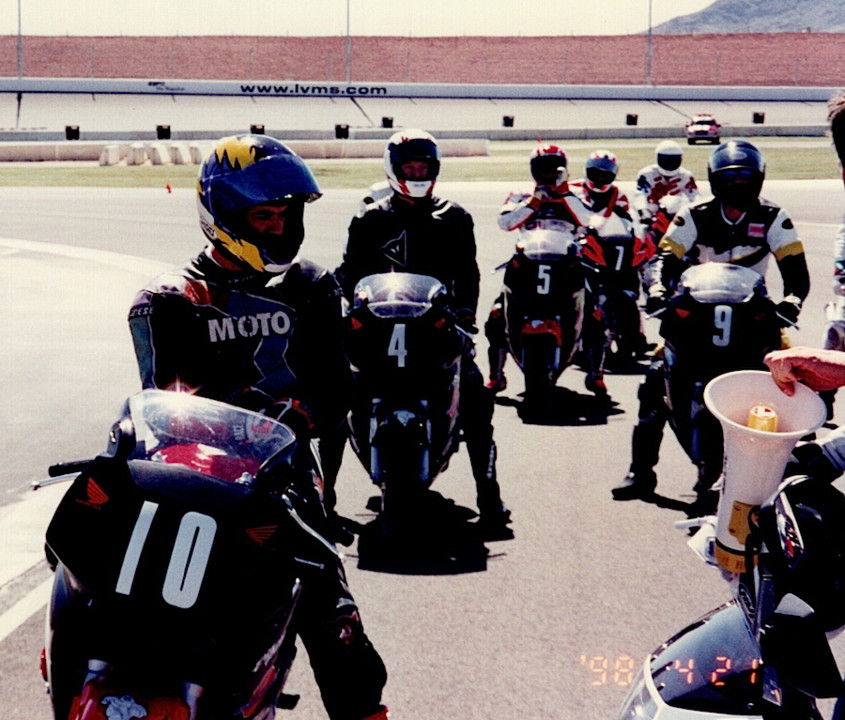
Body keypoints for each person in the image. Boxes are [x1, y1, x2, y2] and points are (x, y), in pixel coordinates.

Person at [128, 134, 389, 720]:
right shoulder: (168, 300)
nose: (278, 229)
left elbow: (337, 386)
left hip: (285, 484)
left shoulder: (314, 287)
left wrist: (297, 415)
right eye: (263, 216)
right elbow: (162, 406)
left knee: (333, 616)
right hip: (190, 481)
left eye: (285, 215)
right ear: (223, 217)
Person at [613, 139, 811, 502]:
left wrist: (791, 303)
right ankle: (640, 474)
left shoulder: (773, 217)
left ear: (760, 179)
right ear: (714, 180)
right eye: (730, 178)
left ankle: (794, 468)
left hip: (753, 314)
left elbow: (797, 274)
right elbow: (665, 258)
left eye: (745, 177)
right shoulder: (693, 214)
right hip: (699, 311)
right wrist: (658, 290)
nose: (738, 184)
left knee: (791, 382)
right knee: (654, 382)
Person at [335, 128, 511, 529]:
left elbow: (468, 274)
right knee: (335, 395)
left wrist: (465, 313)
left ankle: (490, 497)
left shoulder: (454, 217)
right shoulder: (369, 218)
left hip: (436, 326)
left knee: (477, 400)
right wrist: (348, 307)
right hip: (380, 327)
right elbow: (351, 273)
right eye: (410, 166)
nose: (417, 173)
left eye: (424, 166)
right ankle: (325, 502)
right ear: (393, 169)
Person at [484, 144, 595, 393]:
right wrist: (533, 202)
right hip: (528, 261)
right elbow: (505, 222)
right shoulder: (520, 193)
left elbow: (589, 219)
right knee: (496, 313)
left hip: (566, 262)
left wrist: (564, 194)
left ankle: (595, 374)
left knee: (595, 311)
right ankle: (496, 375)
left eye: (553, 169)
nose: (548, 175)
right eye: (543, 169)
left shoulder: (576, 191)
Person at [631, 140, 700, 227]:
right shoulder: (647, 174)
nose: (670, 164)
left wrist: (698, 212)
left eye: (674, 161)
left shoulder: (686, 175)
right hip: (650, 214)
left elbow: (695, 196)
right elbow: (640, 194)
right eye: (666, 160)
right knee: (641, 231)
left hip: (675, 214)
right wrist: (644, 211)